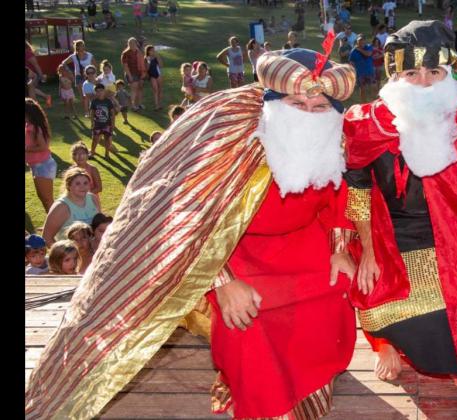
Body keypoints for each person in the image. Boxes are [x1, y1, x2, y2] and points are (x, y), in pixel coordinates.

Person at [26, 48, 360, 420]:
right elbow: (187, 216)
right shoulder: (230, 140)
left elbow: (342, 200)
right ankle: (265, 403)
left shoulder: (335, 137)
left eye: (319, 108)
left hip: (304, 248)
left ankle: (310, 383)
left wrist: (340, 249)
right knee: (247, 323)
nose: (310, 116)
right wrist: (222, 282)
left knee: (330, 302)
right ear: (273, 101)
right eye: (298, 104)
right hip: (231, 250)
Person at [342, 20, 457, 419]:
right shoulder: (367, 124)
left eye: (434, 72)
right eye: (411, 72)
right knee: (382, 306)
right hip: (394, 237)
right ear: (395, 75)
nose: (423, 82)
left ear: (450, 72)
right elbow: (357, 190)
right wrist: (369, 252)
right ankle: (385, 340)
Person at [42, 167, 102, 247]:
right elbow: (47, 238)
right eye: (77, 183)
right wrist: (63, 255)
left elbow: (100, 225)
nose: (82, 187)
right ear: (68, 185)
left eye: (85, 183)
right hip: (72, 255)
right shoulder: (61, 207)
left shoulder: (93, 198)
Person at [25, 98, 57, 214]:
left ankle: (55, 225)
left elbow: (43, 147)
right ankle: (50, 223)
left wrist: (26, 149)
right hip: (37, 165)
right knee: (43, 198)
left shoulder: (35, 127)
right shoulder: (30, 125)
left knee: (47, 199)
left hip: (42, 165)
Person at [89, 83, 117, 158]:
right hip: (97, 124)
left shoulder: (108, 101)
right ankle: (92, 152)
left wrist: (113, 124)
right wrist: (92, 122)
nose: (99, 93)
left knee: (107, 139)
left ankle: (107, 153)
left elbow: (112, 113)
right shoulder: (94, 101)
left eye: (101, 91)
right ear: (95, 92)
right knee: (95, 139)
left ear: (104, 91)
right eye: (97, 91)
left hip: (107, 124)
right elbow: (92, 113)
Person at [121, 37, 146, 111]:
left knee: (140, 88)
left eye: (133, 43)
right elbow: (125, 66)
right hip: (131, 73)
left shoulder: (138, 52)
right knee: (134, 89)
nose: (132, 45)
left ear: (136, 44)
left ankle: (139, 104)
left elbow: (142, 62)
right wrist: (129, 76)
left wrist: (143, 72)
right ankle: (133, 105)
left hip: (139, 72)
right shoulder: (125, 53)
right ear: (128, 44)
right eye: (130, 43)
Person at [349, 35, 375, 103]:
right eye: (360, 41)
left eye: (363, 40)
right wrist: (353, 72)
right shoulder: (353, 51)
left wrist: (359, 49)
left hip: (369, 72)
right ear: (357, 42)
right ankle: (364, 104)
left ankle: (372, 102)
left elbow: (368, 54)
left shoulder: (369, 47)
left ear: (365, 41)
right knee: (362, 89)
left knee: (372, 88)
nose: (362, 42)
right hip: (360, 73)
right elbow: (351, 62)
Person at [144, 45, 164, 110]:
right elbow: (146, 69)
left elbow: (161, 65)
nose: (153, 51)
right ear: (148, 51)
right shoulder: (146, 58)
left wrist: (158, 57)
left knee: (160, 89)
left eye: (154, 50)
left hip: (158, 74)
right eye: (152, 50)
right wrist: (149, 62)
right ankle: (156, 105)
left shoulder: (156, 57)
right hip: (152, 75)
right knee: (155, 90)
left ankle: (160, 104)